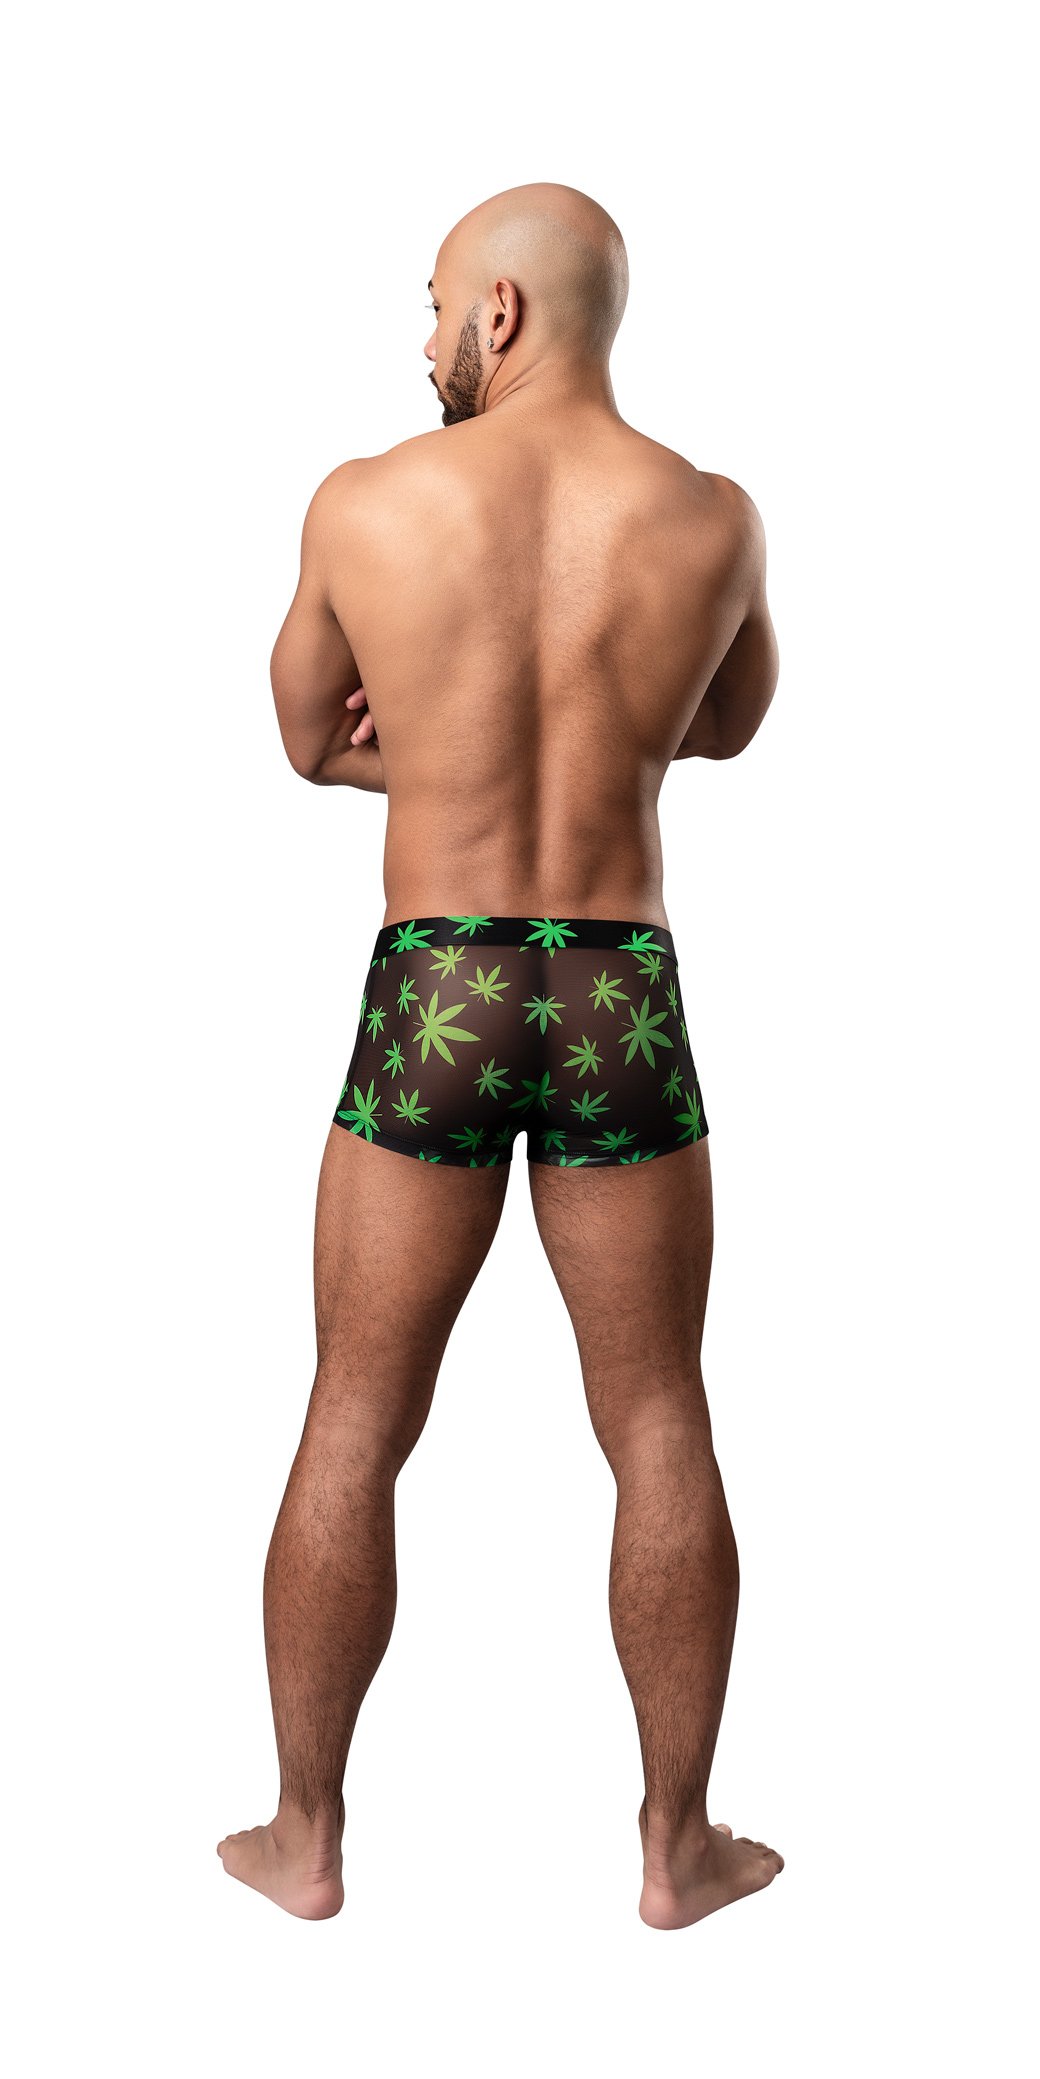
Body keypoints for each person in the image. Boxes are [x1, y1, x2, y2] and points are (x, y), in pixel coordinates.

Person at [217, 182, 782, 1928]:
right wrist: (593, 744)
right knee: (660, 1413)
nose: (426, 341)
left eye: (437, 303)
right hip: (616, 987)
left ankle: (304, 1839)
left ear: (505, 314)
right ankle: (679, 1850)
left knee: (356, 1409)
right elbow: (727, 724)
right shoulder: (712, 515)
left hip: (440, 983)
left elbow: (306, 737)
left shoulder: (369, 500)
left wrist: (440, 746)